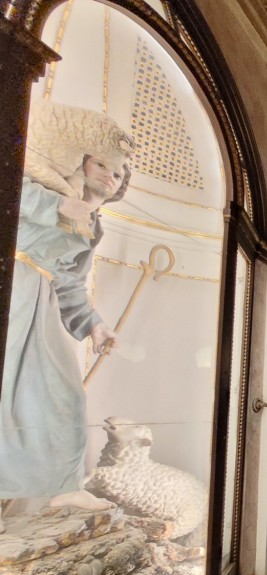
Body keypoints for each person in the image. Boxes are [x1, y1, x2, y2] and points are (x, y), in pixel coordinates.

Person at [0, 102, 134, 531]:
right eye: (101, 163)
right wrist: (57, 207)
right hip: (9, 280)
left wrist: (94, 325)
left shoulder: (93, 227)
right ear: (82, 161)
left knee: (65, 395)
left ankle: (63, 483)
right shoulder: (44, 187)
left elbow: (69, 281)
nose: (109, 175)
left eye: (117, 173)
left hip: (39, 299)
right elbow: (9, 196)